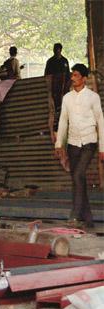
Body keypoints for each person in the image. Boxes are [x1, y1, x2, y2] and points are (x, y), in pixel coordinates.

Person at [54, 64, 104, 229]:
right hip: (73, 144)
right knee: (77, 179)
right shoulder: (67, 98)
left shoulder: (93, 97)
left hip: (89, 142)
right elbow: (63, 121)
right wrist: (59, 143)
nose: (73, 78)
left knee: (78, 175)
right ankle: (88, 218)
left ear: (83, 78)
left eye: (76, 75)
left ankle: (74, 215)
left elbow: (101, 122)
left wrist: (102, 148)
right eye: (72, 75)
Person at [44, 43, 71, 132]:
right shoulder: (50, 61)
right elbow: (47, 76)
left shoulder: (64, 61)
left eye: (58, 49)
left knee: (64, 107)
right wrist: (50, 90)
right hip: (54, 89)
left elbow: (68, 75)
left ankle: (64, 125)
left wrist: (66, 88)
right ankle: (55, 127)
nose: (57, 51)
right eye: (55, 49)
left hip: (63, 89)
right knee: (54, 108)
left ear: (60, 50)